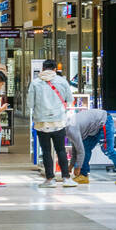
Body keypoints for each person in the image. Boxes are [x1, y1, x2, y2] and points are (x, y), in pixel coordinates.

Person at [28, 59, 76, 188]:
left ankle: (50, 179)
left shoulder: (35, 83)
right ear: (55, 69)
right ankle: (66, 178)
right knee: (60, 149)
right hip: (59, 121)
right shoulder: (62, 81)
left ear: (43, 68)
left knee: (46, 150)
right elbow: (70, 100)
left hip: (41, 122)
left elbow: (30, 104)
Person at [67, 108, 116, 185]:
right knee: (86, 148)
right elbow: (76, 148)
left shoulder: (70, 129)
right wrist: (71, 165)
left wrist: (77, 167)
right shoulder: (68, 126)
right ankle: (83, 176)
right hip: (94, 127)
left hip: (104, 121)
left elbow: (80, 151)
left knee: (108, 150)